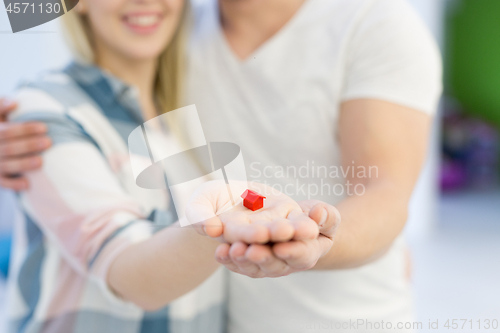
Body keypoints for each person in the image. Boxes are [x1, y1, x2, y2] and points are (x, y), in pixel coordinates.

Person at [0, 0, 442, 332]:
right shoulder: (180, 30)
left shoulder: (375, 25)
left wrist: (317, 241)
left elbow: (385, 195)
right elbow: (22, 13)